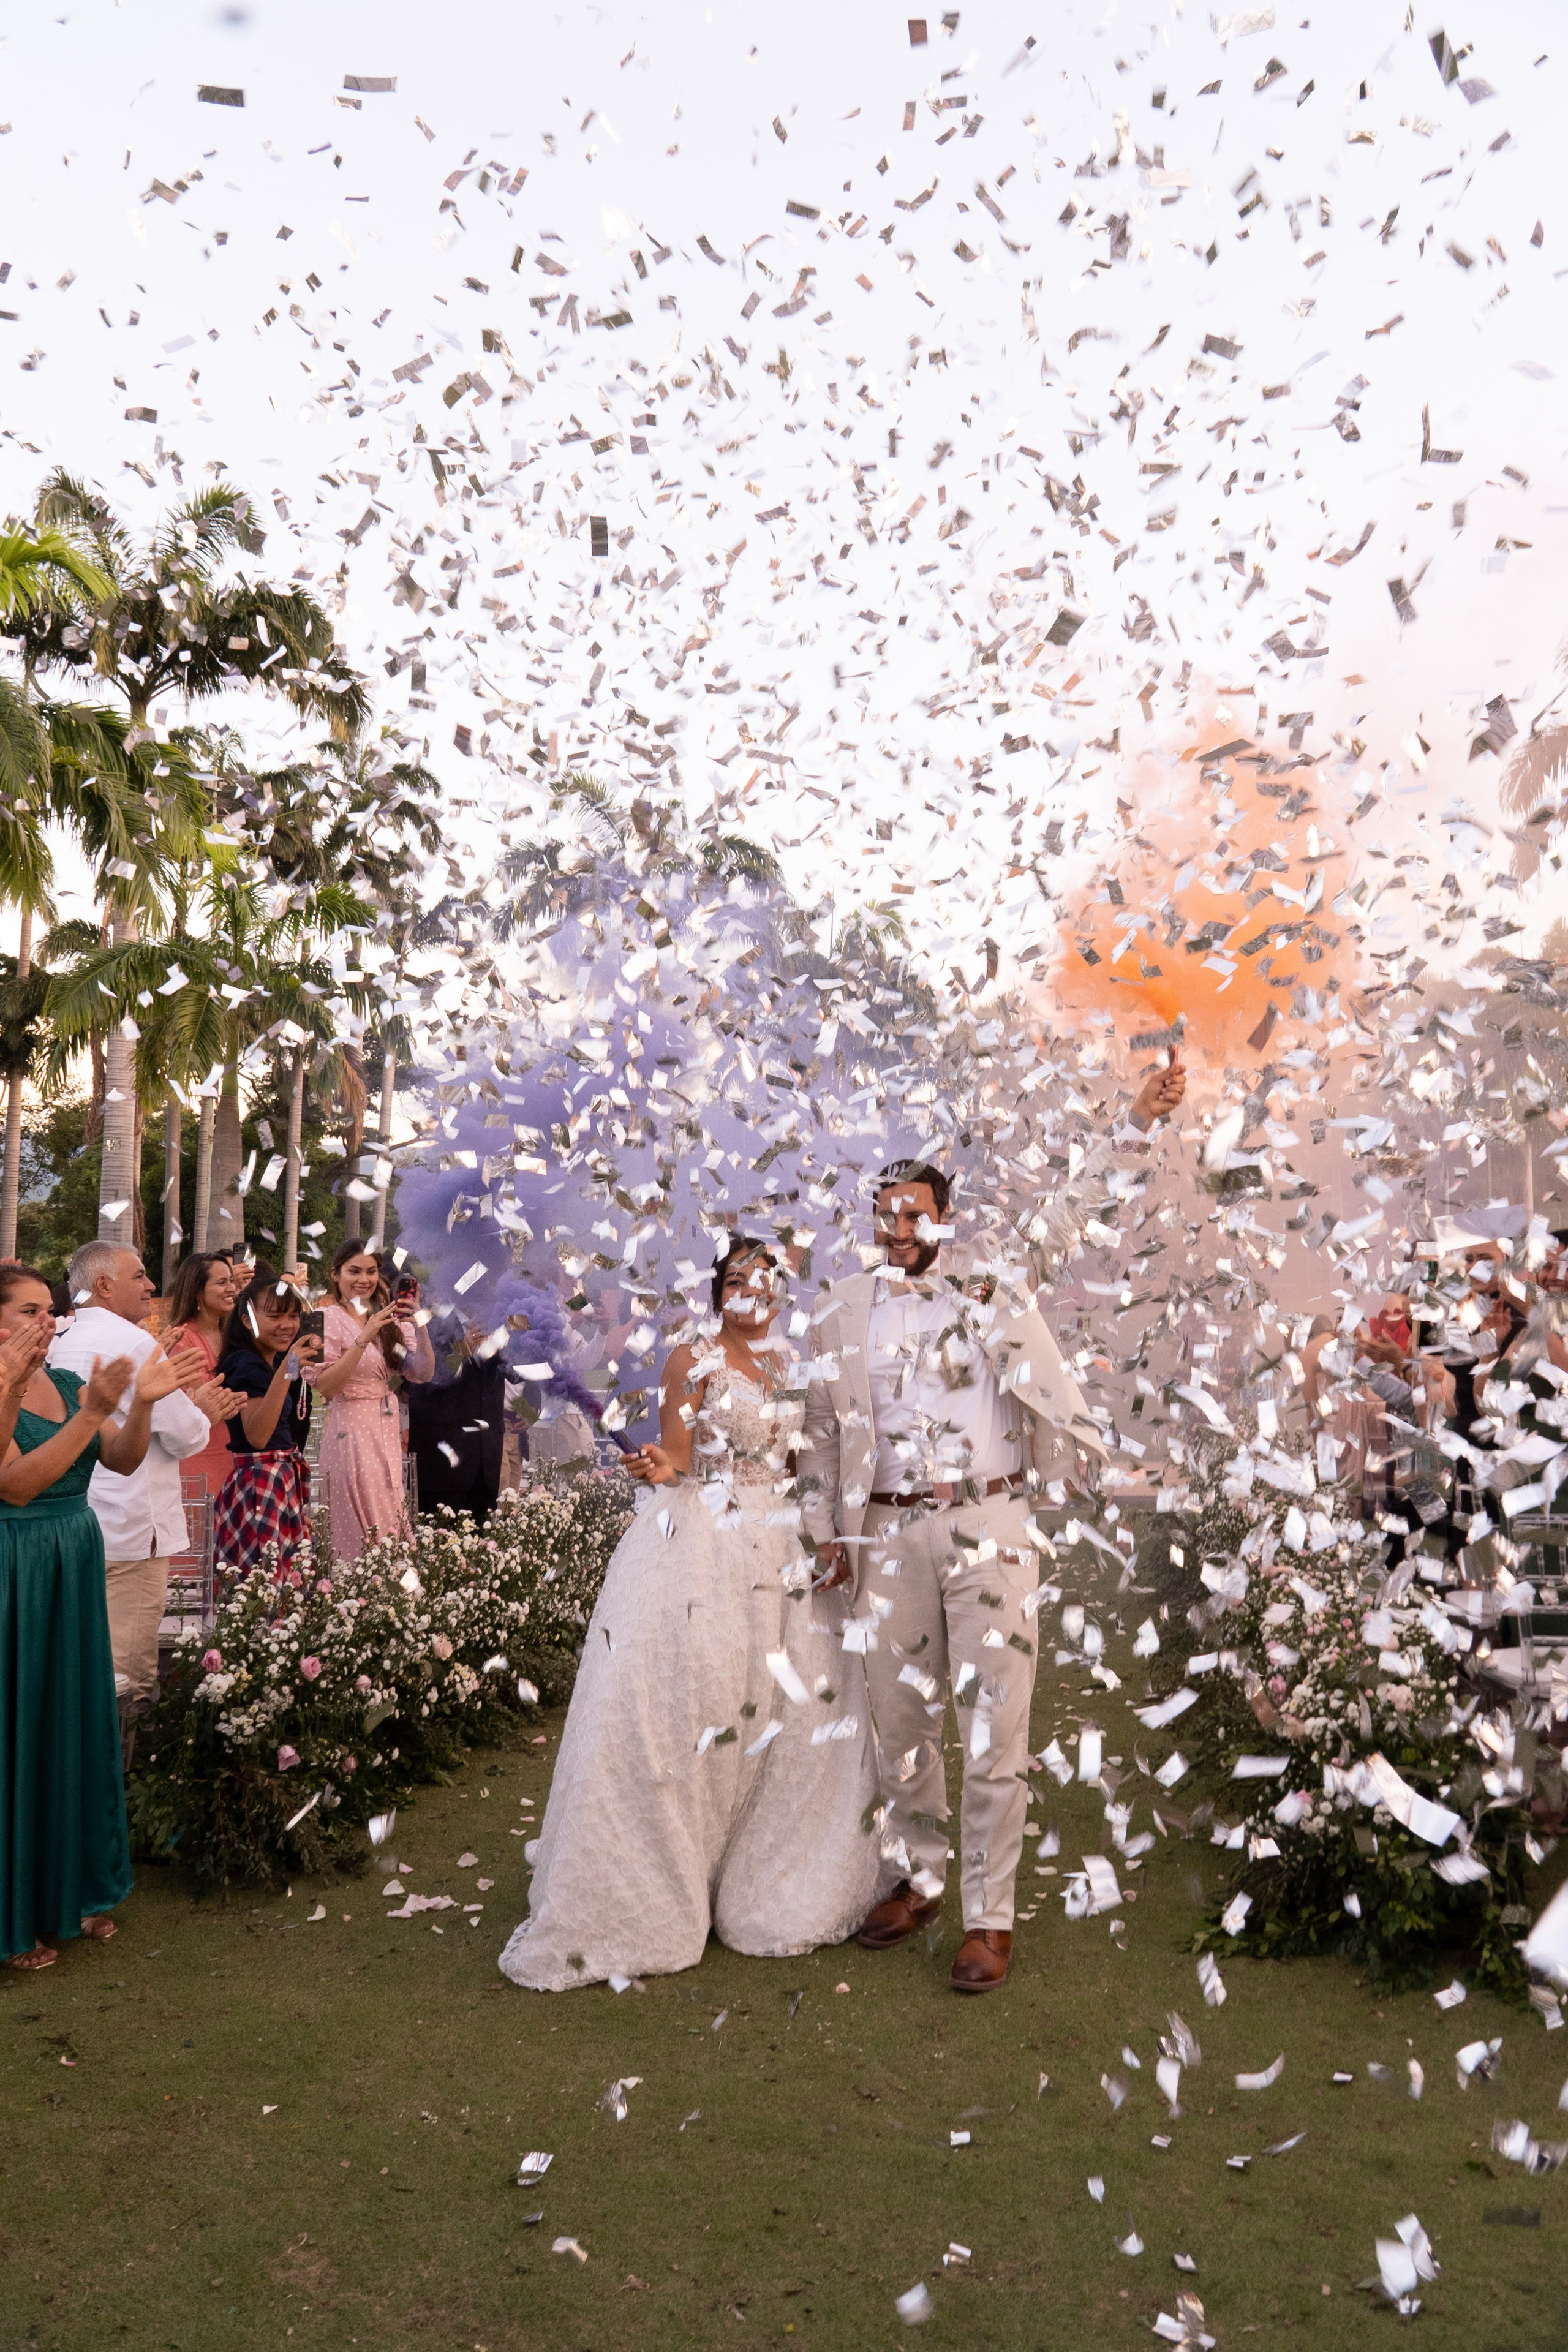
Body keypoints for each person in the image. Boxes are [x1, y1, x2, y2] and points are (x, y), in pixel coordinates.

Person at [797, 1053, 1184, 1996]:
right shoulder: (840, 1311)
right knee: (901, 1720)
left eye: (917, 1212)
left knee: (995, 1722)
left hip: (990, 1524)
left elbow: (1074, 1207)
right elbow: (818, 1436)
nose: (901, 1228)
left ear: (944, 1218)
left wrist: (1135, 1116)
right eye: (886, 1214)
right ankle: (921, 1880)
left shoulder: (992, 1285)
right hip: (884, 1536)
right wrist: (825, 1532)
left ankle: (992, 1920)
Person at [499, 1238, 880, 1993]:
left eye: (764, 1281)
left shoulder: (792, 1367)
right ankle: (663, 1882)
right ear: (718, 1294)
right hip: (707, 1540)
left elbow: (808, 1469)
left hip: (783, 1548)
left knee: (786, 1710)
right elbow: (677, 1455)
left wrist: (826, 1535)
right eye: (737, 1279)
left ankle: (759, 1877)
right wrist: (659, 1467)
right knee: (695, 1700)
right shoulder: (691, 1361)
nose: (751, 1291)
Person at [0, 1262, 195, 1970]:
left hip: (74, 1557)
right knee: (18, 1731)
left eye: (48, 1310)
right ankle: (15, 1914)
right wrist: (92, 1412)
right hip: (15, 1567)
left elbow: (120, 1456)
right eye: (27, 1311)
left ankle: (70, 1894)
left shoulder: (63, 1382)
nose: (44, 1322)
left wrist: (140, 1403)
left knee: (69, 1724)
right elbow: (16, 1486)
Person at [47, 1242, 241, 1718]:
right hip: (133, 1528)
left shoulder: (58, 1339)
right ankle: (119, 1783)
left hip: (73, 1522)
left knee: (73, 1663)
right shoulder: (135, 1343)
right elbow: (182, 1435)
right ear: (104, 1285)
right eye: (139, 1276)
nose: (152, 1285)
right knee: (126, 1677)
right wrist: (203, 1413)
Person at [307, 1244, 434, 1561]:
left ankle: (391, 1594)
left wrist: (419, 1321)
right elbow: (327, 1387)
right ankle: (354, 1592)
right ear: (335, 1275)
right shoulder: (319, 1319)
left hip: (387, 1425)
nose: (364, 1279)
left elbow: (423, 1373)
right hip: (349, 1429)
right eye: (354, 1271)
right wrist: (364, 1337)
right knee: (357, 1518)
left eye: (371, 1271)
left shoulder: (391, 1320)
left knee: (391, 1509)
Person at [214, 1273, 322, 1579]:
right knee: (266, 1589)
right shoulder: (245, 1364)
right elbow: (258, 1436)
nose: (287, 1325)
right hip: (261, 1484)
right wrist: (289, 1369)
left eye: (293, 1315)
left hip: (277, 1481)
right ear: (247, 1321)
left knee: (283, 1588)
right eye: (275, 1316)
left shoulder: (269, 1361)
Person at [405, 1309, 506, 1526]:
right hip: (443, 1467)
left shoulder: (498, 1320)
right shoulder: (428, 1320)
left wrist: (530, 1408)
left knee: (485, 1547)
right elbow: (416, 1382)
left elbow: (518, 1374)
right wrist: (463, 1350)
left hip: (486, 1463)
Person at [164, 1250, 241, 1503]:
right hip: (202, 1457)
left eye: (231, 1280)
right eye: (222, 1283)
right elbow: (200, 1402)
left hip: (240, 1457)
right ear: (198, 1291)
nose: (232, 1288)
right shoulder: (182, 1339)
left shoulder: (235, 1335)